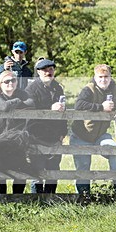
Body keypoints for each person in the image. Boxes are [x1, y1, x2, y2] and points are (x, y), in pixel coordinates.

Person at [70, 64, 116, 197]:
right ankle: (83, 196)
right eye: (100, 77)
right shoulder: (88, 89)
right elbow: (79, 105)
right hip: (81, 135)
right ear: (95, 77)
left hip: (101, 135)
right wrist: (100, 107)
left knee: (114, 150)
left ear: (110, 77)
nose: (103, 80)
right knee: (83, 167)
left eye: (106, 77)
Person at [25, 58, 67, 194]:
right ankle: (36, 200)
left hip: (55, 136)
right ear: (38, 71)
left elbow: (63, 113)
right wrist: (50, 108)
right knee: (37, 170)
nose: (48, 72)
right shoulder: (31, 89)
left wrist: (63, 133)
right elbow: (30, 110)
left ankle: (50, 198)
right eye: (44, 70)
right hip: (36, 135)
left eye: (51, 69)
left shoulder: (58, 87)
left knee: (54, 169)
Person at [0, 70, 35, 194]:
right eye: (7, 81)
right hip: (0, 138)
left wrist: (16, 102)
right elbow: (3, 106)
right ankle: (1, 198)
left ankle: (17, 197)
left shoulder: (21, 93)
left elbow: (31, 103)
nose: (10, 83)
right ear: (0, 83)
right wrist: (18, 102)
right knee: (1, 170)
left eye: (13, 80)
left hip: (18, 138)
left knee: (21, 169)